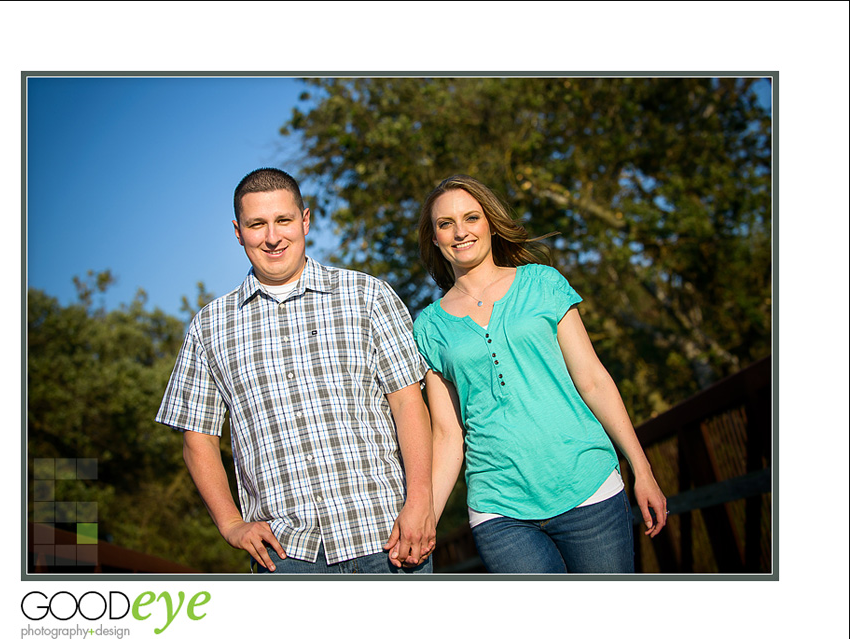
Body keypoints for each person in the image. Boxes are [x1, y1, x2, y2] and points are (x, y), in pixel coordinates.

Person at [157, 168, 435, 574]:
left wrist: (420, 503)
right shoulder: (209, 326)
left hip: (387, 537)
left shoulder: (367, 295)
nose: (272, 237)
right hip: (288, 559)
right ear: (238, 232)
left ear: (305, 220)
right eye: (257, 224)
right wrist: (231, 524)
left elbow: (409, 403)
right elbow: (196, 439)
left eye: (283, 220)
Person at [413, 174, 667, 573]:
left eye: (471, 218)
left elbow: (594, 380)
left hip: (587, 487)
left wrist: (642, 469)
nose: (460, 232)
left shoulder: (543, 283)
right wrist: (425, 515)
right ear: (434, 238)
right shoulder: (429, 326)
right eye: (446, 224)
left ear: (490, 223)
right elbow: (448, 433)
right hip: (499, 508)